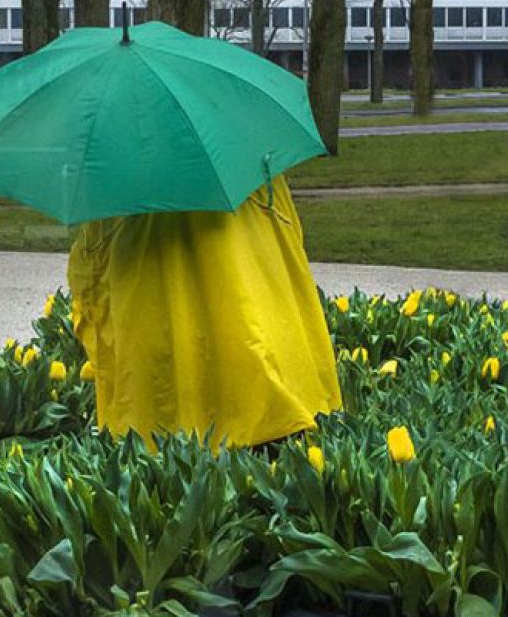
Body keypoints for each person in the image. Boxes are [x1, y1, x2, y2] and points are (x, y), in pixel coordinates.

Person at [67, 174, 342, 450]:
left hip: (160, 420)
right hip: (271, 403)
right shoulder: (246, 165)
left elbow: (90, 278)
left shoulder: (120, 180)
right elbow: (288, 246)